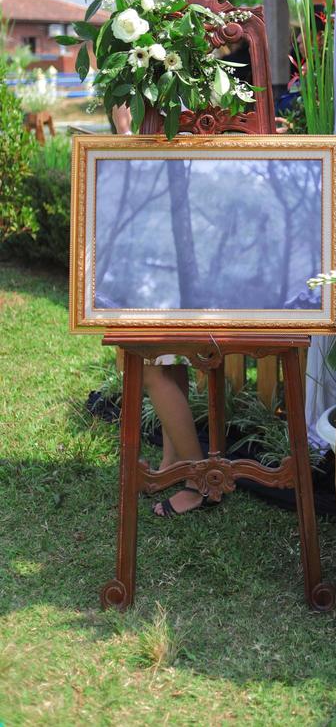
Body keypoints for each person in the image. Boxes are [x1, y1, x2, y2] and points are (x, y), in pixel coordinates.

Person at [114, 102, 216, 517]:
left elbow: (144, 172)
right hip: (177, 249)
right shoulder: (183, 91)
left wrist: (123, 132)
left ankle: (200, 483)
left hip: (165, 249)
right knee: (168, 361)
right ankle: (174, 464)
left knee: (152, 367)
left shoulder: (159, 93)